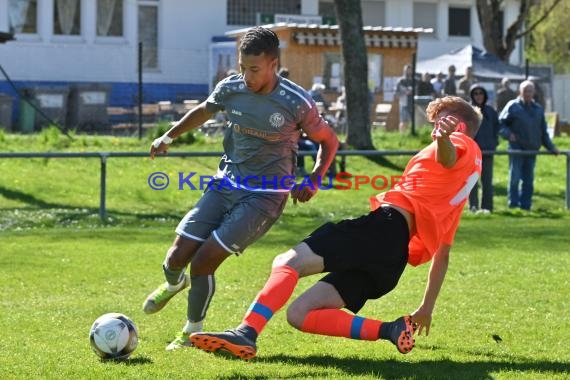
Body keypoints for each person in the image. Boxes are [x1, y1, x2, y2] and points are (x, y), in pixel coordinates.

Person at [190, 96, 484, 360]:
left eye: (438, 121)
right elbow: (442, 255)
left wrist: (444, 138)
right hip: (392, 261)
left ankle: (246, 332)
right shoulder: (461, 187)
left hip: (383, 228)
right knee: (300, 314)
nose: (433, 129)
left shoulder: (460, 143)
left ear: (457, 124)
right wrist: (426, 308)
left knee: (287, 262)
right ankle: (391, 329)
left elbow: (448, 155)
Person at [144, 26, 339, 350]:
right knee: (175, 258)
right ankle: (174, 283)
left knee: (203, 261)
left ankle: (191, 332)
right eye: (242, 67)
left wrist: (315, 178)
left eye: (254, 69)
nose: (246, 76)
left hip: (265, 196)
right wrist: (169, 136)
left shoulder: (296, 102)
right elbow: (205, 110)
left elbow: (329, 141)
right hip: (225, 183)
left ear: (273, 64)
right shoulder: (231, 88)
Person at [499, 80, 559, 210]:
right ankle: (513, 205)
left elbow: (543, 132)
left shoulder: (538, 109)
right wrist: (508, 134)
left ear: (534, 92)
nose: (527, 93)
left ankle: (526, 206)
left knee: (528, 180)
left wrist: (551, 147)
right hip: (516, 149)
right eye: (525, 90)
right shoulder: (512, 106)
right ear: (520, 92)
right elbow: (501, 124)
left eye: (530, 90)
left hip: (532, 149)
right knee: (514, 178)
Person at [468, 84, 500, 213]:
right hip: (472, 153)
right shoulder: (468, 112)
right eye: (475, 93)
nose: (478, 96)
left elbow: (497, 128)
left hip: (487, 152)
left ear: (485, 95)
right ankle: (473, 207)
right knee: (472, 182)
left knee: (487, 182)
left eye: (481, 93)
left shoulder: (490, 112)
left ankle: (487, 207)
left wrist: (494, 143)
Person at [395, 64, 414, 133]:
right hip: (404, 104)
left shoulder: (415, 81)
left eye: (410, 70)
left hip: (413, 104)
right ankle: (402, 135)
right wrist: (405, 93)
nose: (409, 72)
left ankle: (412, 134)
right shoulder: (400, 81)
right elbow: (396, 94)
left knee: (413, 121)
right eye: (407, 70)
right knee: (403, 121)